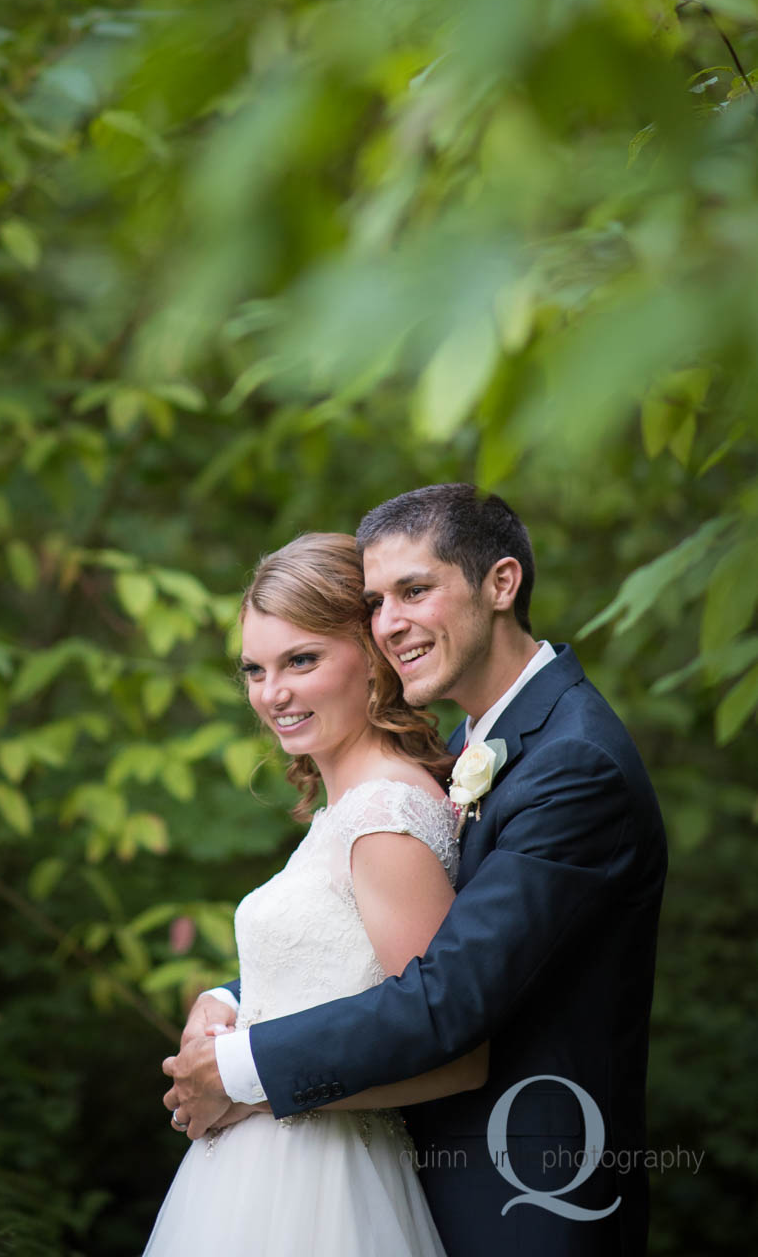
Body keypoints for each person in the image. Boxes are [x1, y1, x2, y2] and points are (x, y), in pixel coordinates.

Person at [165, 485, 668, 1257]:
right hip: (421, 1174)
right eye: (374, 601)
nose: (390, 622)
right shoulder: (481, 742)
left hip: (527, 1194)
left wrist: (242, 1068)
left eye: (415, 590)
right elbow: (382, 939)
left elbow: (448, 996)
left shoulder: (574, 764)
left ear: (501, 584)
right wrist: (235, 1000)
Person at [143, 531, 489, 1257]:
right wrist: (229, 1001)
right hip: (258, 1177)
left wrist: (246, 1081)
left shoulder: (385, 815)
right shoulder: (348, 808)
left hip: (322, 1189)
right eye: (255, 669)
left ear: (370, 658)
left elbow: (448, 1048)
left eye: (301, 660)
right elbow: (336, 969)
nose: (273, 694)